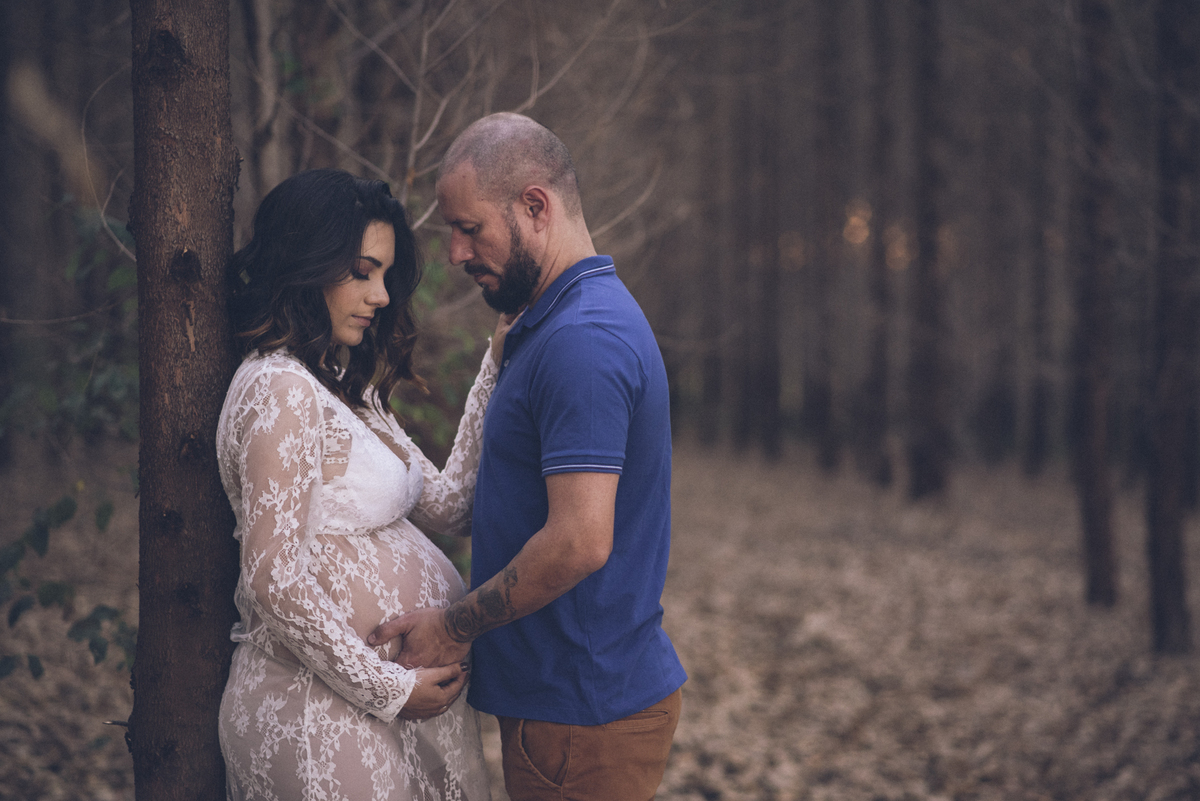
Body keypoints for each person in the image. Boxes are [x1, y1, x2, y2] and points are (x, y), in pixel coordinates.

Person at [370, 113, 687, 800]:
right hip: (567, 707)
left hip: (584, 713)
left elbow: (579, 540)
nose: (454, 253)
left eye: (468, 227)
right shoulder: (549, 324)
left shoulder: (584, 340)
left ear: (535, 206)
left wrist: (452, 628)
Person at [215, 168, 503, 801]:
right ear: (306, 262)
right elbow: (272, 576)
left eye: (384, 276)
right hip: (312, 706)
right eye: (361, 271)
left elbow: (451, 505)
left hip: (377, 709)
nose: (378, 296)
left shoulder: (350, 390)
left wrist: (496, 365)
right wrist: (389, 688)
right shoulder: (278, 389)